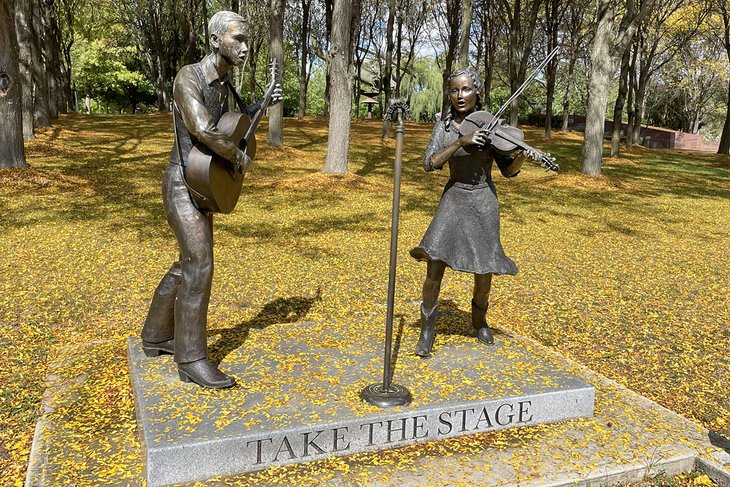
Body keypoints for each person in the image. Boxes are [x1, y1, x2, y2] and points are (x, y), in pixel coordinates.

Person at [141, 11, 282, 388]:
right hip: (181, 183)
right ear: (215, 40)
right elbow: (203, 128)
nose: (246, 47)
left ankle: (155, 334)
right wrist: (238, 158)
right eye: (238, 39)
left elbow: (234, 125)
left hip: (205, 181)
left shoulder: (226, 84)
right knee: (200, 265)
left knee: (189, 261)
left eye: (248, 40)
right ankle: (191, 359)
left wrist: (261, 107)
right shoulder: (190, 77)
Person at [410, 67, 536, 357]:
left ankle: (479, 320)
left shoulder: (491, 124)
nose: (459, 95)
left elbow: (508, 172)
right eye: (454, 90)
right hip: (454, 199)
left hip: (482, 202)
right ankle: (428, 328)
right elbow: (430, 163)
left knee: (484, 269)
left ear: (477, 92)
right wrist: (459, 142)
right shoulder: (443, 126)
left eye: (466, 89)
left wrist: (520, 157)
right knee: (434, 264)